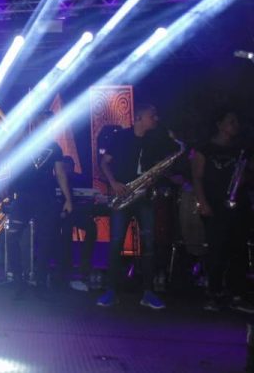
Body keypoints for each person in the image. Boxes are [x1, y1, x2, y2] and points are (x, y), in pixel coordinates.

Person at [96, 103, 176, 309]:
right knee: (116, 244)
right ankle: (111, 290)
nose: (156, 118)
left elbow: (159, 168)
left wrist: (157, 175)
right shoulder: (121, 137)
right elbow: (104, 163)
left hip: (145, 197)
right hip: (123, 194)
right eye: (152, 115)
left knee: (148, 245)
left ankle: (148, 292)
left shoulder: (155, 139)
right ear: (139, 117)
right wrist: (114, 183)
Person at [191, 109, 254, 313]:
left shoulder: (240, 149)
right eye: (231, 121)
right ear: (219, 124)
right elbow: (197, 178)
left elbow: (249, 174)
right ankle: (214, 293)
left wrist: (245, 178)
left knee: (239, 250)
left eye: (237, 121)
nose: (235, 125)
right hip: (214, 205)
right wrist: (203, 202)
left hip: (238, 205)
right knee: (217, 251)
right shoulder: (205, 149)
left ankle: (237, 295)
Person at [8, 111, 73, 298]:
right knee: (12, 236)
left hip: (46, 197)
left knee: (45, 241)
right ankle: (18, 280)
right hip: (23, 197)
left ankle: (40, 281)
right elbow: (9, 154)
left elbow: (60, 173)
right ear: (34, 122)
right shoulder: (23, 142)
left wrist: (68, 199)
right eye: (41, 121)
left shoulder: (54, 147)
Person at [57, 156, 97, 292]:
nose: (68, 168)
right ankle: (65, 266)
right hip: (63, 214)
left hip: (79, 213)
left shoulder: (81, 178)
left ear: (74, 166)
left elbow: (89, 196)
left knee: (92, 227)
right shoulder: (57, 179)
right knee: (66, 230)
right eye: (65, 166)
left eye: (70, 166)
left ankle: (84, 264)